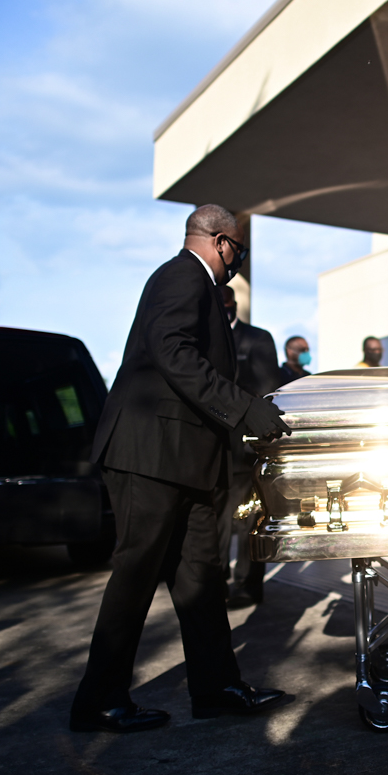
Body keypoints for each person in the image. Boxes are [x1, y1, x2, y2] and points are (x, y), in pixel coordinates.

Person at [70, 204, 293, 734]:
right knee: (136, 573)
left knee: (200, 577)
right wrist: (243, 406)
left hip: (184, 459)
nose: (238, 260)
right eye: (238, 250)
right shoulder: (180, 276)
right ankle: (98, 701)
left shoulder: (197, 285)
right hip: (150, 454)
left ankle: (216, 687)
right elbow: (173, 353)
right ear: (220, 242)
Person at [216, 284, 282, 607]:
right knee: (214, 520)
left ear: (233, 304)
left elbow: (268, 390)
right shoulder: (205, 339)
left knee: (246, 518)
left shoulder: (257, 339)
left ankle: (246, 584)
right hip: (212, 446)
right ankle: (216, 583)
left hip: (243, 446)